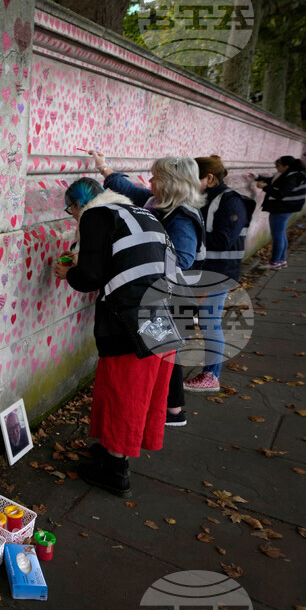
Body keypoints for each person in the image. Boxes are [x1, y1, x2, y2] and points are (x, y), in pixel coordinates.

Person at [54, 177, 176, 496]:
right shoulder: (138, 211)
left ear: (78, 204)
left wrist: (69, 272)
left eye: (70, 210)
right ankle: (112, 451)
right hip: (164, 309)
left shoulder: (95, 215)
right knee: (140, 389)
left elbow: (90, 277)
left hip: (130, 317)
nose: (73, 217)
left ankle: (116, 470)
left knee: (125, 391)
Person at [89, 151, 205, 429]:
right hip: (162, 294)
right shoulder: (158, 203)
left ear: (170, 182)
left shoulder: (181, 217)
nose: (149, 181)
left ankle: (173, 411)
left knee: (164, 352)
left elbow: (183, 258)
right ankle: (170, 408)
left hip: (171, 296)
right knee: (163, 350)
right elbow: (128, 189)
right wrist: (104, 168)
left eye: (155, 177)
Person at [183, 156, 257, 393]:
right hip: (203, 271)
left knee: (209, 322)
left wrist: (188, 233)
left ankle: (211, 375)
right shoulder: (207, 197)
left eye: (192, 179)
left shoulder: (230, 201)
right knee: (190, 317)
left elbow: (224, 240)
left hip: (218, 273)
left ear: (209, 178)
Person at [253, 155, 306, 269]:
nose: (276, 167)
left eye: (278, 165)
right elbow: (274, 181)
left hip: (282, 208)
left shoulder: (292, 177)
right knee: (281, 234)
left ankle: (275, 262)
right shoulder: (290, 174)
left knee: (277, 235)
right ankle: (281, 260)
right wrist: (258, 177)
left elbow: (281, 193)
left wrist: (264, 187)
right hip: (286, 208)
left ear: (286, 166)